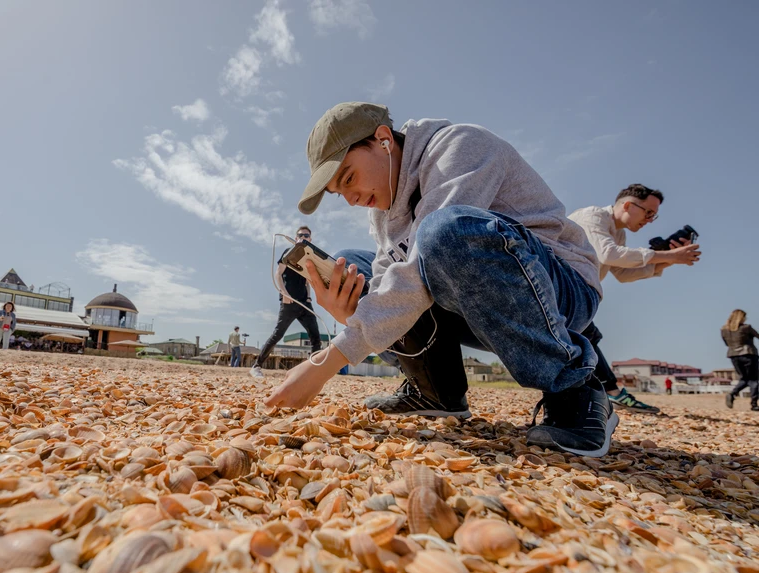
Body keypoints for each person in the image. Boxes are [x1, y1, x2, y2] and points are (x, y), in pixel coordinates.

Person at [265, 102, 616, 457]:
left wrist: (326, 363)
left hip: (558, 289)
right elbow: (393, 287)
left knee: (443, 233)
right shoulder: (382, 215)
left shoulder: (459, 146)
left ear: (383, 139)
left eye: (349, 178)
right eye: (340, 193)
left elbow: (420, 268)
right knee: (353, 266)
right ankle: (435, 389)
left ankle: (575, 390)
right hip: (468, 301)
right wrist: (347, 315)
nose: (352, 199)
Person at [569, 184, 701, 414]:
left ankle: (600, 393)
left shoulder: (619, 233)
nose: (650, 220)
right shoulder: (594, 216)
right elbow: (609, 254)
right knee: (586, 337)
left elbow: (623, 273)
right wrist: (667, 254)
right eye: (648, 212)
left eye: (654, 215)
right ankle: (609, 393)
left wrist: (671, 260)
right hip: (562, 286)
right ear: (628, 205)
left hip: (575, 292)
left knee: (585, 337)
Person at [250, 226, 324, 379]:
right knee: (278, 334)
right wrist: (283, 293)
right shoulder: (288, 252)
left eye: (307, 235)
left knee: (316, 336)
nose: (303, 237)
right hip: (289, 301)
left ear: (310, 239)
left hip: (305, 303)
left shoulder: (309, 257)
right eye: (300, 234)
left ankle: (313, 372)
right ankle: (256, 366)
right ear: (296, 237)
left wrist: (309, 297)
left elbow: (307, 281)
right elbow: (278, 274)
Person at [722, 309, 758, 411]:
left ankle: (732, 394)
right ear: (741, 317)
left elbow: (726, 343)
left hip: (733, 355)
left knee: (744, 379)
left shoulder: (724, 329)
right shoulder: (746, 328)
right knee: (754, 380)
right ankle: (754, 404)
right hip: (748, 354)